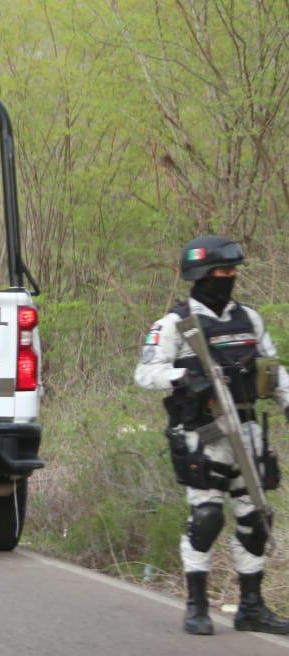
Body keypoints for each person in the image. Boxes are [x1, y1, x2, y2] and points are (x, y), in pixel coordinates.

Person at [135, 235, 289, 636]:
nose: (231, 277)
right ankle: (196, 604)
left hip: (248, 430)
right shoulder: (174, 324)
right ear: (202, 275)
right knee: (206, 518)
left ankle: (251, 607)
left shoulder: (249, 319)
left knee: (254, 517)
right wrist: (184, 377)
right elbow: (145, 373)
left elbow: (273, 372)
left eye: (234, 271)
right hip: (201, 435)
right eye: (224, 271)